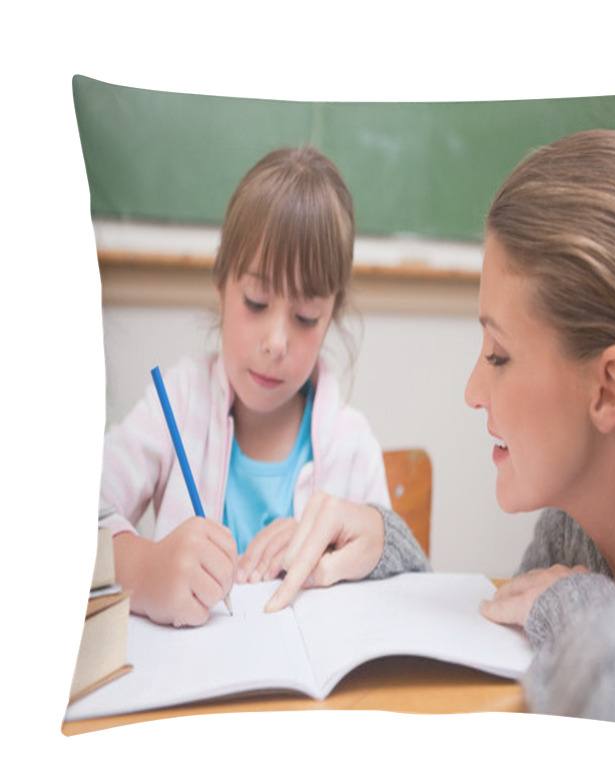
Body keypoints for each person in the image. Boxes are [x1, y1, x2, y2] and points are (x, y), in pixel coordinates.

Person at [262, 129, 615, 735]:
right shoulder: (575, 528)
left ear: (609, 389)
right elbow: (504, 625)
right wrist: (387, 548)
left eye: (499, 355)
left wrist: (573, 606)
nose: (472, 391)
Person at [100, 146, 397, 628]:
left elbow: (398, 587)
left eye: (305, 317)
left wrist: (336, 555)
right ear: (221, 287)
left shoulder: (352, 446)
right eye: (256, 302)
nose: (276, 342)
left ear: (330, 319)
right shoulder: (176, 403)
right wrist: (143, 569)